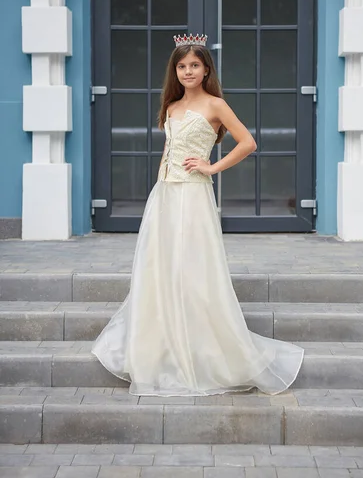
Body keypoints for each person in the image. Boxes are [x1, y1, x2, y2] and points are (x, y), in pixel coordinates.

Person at [91, 34, 304, 397]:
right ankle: (160, 346)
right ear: (175, 71)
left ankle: (202, 349)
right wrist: (158, 192)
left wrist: (212, 167)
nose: (188, 70)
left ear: (206, 69)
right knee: (160, 268)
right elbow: (170, 151)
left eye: (194, 65)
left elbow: (248, 142)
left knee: (192, 269)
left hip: (193, 197)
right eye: (182, 66)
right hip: (165, 196)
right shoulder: (171, 106)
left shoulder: (215, 105)